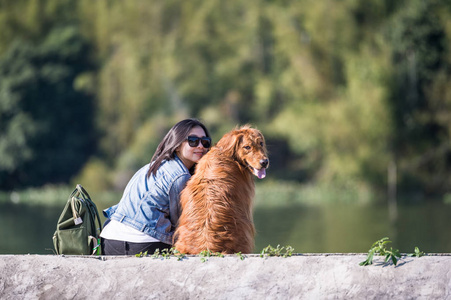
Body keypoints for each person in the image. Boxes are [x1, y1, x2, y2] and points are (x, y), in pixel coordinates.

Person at [100, 118, 211, 255]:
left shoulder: (151, 166)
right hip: (140, 242)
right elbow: (183, 224)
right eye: (193, 141)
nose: (200, 146)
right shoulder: (180, 177)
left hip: (109, 239)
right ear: (177, 144)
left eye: (205, 142)